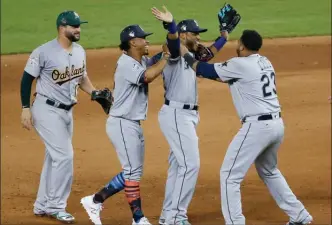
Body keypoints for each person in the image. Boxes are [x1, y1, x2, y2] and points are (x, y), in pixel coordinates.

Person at [179, 29, 313, 225]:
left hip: (257, 127)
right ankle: (299, 216)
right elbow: (223, 77)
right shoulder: (265, 61)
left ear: (242, 45)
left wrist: (185, 53)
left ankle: (235, 222)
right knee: (269, 171)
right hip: (276, 125)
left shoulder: (239, 64)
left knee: (229, 175)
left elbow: (202, 70)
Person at [80, 24, 171, 225]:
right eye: (143, 38)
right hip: (122, 124)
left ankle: (95, 200)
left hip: (131, 124)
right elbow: (148, 76)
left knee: (133, 172)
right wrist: (165, 57)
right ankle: (138, 219)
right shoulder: (126, 64)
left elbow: (155, 60)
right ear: (133, 42)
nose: (147, 41)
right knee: (132, 172)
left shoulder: (138, 60)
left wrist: (172, 42)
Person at [20, 10, 103, 223]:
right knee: (64, 156)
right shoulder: (44, 52)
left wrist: (93, 91)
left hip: (67, 111)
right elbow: (26, 79)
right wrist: (25, 107)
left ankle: (42, 204)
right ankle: (56, 206)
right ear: (61, 28)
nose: (78, 30)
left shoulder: (80, 51)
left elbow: (81, 78)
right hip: (46, 110)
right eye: (74, 26)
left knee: (54, 157)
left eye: (79, 26)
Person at [151, 6, 229, 225]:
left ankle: (168, 215)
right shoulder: (173, 52)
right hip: (176, 114)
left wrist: (223, 38)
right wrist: (170, 24)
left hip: (185, 116)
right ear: (184, 34)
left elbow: (208, 53)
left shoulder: (191, 53)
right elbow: (174, 43)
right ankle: (176, 216)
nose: (198, 37)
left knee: (178, 167)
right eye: (195, 33)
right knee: (191, 164)